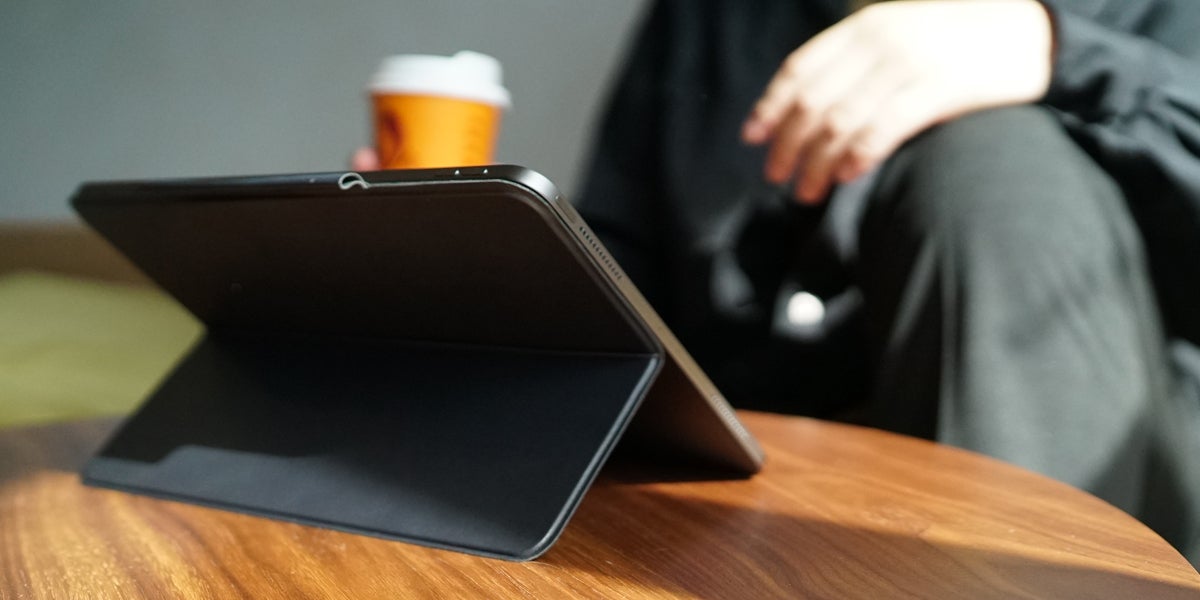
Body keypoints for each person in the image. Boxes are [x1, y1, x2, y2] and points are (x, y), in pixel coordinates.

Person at [571, 0, 1200, 563]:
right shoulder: (716, 17)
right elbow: (617, 269)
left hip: (1110, 483)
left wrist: (1060, 53)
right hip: (747, 488)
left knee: (994, 162)